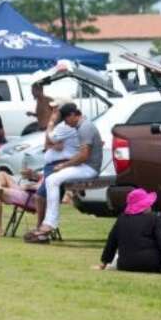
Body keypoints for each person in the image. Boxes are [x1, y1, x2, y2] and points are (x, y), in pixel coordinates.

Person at [27, 103, 103, 242]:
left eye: (66, 120)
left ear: (73, 115)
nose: (66, 124)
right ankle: (49, 222)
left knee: (53, 180)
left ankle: (50, 222)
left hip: (89, 168)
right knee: (51, 180)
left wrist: (63, 165)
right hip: (85, 166)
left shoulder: (85, 127)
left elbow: (84, 156)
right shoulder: (83, 126)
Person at [98, 188, 161, 273]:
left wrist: (103, 265)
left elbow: (111, 243)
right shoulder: (154, 218)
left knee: (154, 264)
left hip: (125, 264)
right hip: (150, 261)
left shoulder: (121, 219)